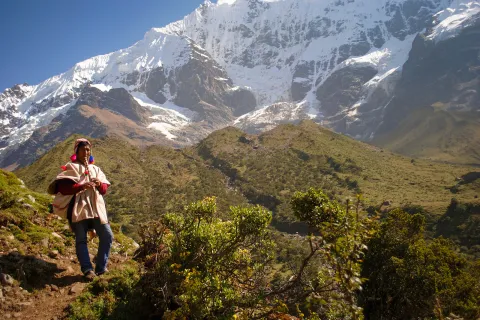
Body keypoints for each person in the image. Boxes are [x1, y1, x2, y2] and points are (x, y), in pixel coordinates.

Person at [48, 138, 113, 281]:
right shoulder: (71, 167)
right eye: (83, 149)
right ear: (76, 151)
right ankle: (87, 269)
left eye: (88, 149)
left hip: (96, 208)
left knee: (107, 235)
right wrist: (82, 186)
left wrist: (98, 183)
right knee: (81, 239)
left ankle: (101, 268)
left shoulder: (96, 169)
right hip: (78, 208)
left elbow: (104, 190)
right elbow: (63, 188)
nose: (86, 152)